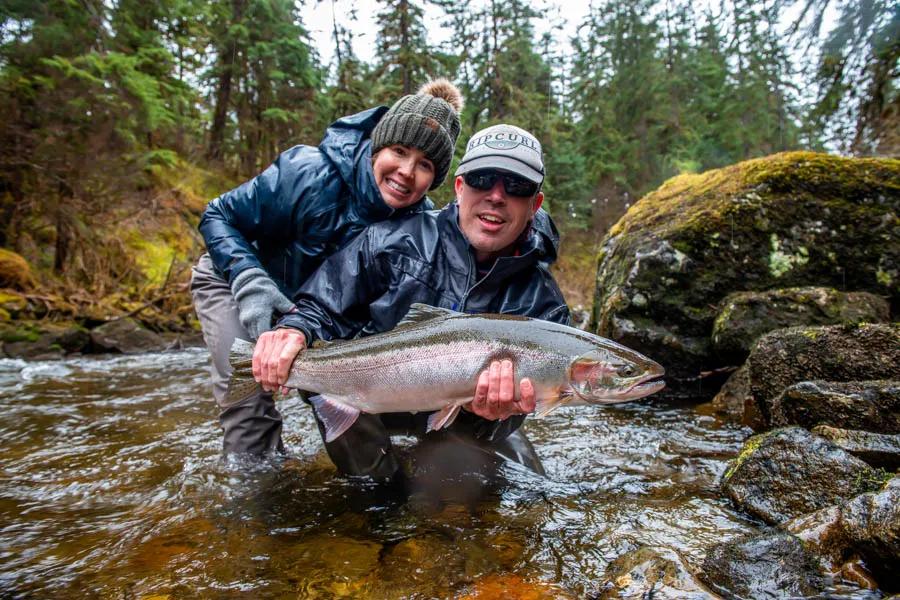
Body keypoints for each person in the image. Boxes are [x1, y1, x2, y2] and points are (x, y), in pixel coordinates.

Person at [252, 123, 571, 480]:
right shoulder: (391, 240)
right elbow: (322, 306)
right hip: (370, 399)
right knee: (378, 494)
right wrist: (293, 330)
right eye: (483, 179)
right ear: (460, 187)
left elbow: (517, 412)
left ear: (534, 204)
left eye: (517, 186)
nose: (497, 196)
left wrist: (493, 416)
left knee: (525, 489)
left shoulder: (545, 307)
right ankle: (379, 497)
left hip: (461, 421)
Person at [190, 79, 464, 456]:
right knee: (249, 406)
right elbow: (218, 216)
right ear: (377, 146)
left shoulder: (419, 231)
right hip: (232, 281)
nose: (405, 171)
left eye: (425, 165)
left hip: (317, 317)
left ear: (435, 179)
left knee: (354, 405)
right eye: (399, 151)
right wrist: (250, 281)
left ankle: (373, 497)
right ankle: (251, 505)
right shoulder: (307, 171)